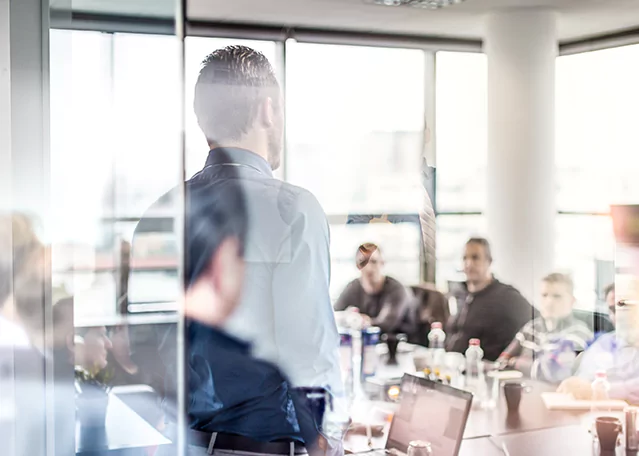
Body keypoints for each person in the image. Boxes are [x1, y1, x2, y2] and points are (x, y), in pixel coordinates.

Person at [133, 46, 345, 454]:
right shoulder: (292, 209)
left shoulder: (159, 213)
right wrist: (329, 440)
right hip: (262, 447)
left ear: (201, 119)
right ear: (268, 109)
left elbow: (145, 346)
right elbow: (310, 353)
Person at [445, 237, 535, 361]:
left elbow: (537, 322)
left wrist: (514, 359)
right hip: (453, 365)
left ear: (489, 261)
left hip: (487, 367)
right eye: (465, 258)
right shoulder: (461, 294)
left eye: (475, 258)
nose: (469, 264)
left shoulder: (507, 296)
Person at [497, 273, 593, 383]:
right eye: (544, 295)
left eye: (557, 296)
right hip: (522, 390)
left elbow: (553, 373)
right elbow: (501, 361)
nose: (549, 302)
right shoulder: (531, 327)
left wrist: (515, 362)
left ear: (572, 301)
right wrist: (529, 365)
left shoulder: (579, 334)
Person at [334, 243, 414, 363]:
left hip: (400, 355)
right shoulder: (353, 287)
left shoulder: (396, 289)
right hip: (367, 353)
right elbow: (334, 316)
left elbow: (386, 324)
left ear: (382, 263)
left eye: (374, 262)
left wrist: (361, 321)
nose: (369, 268)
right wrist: (347, 317)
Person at [557, 297, 639, 404]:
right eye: (614, 310)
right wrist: (574, 386)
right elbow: (583, 379)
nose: (621, 316)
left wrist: (595, 390)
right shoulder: (605, 342)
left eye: (628, 307)